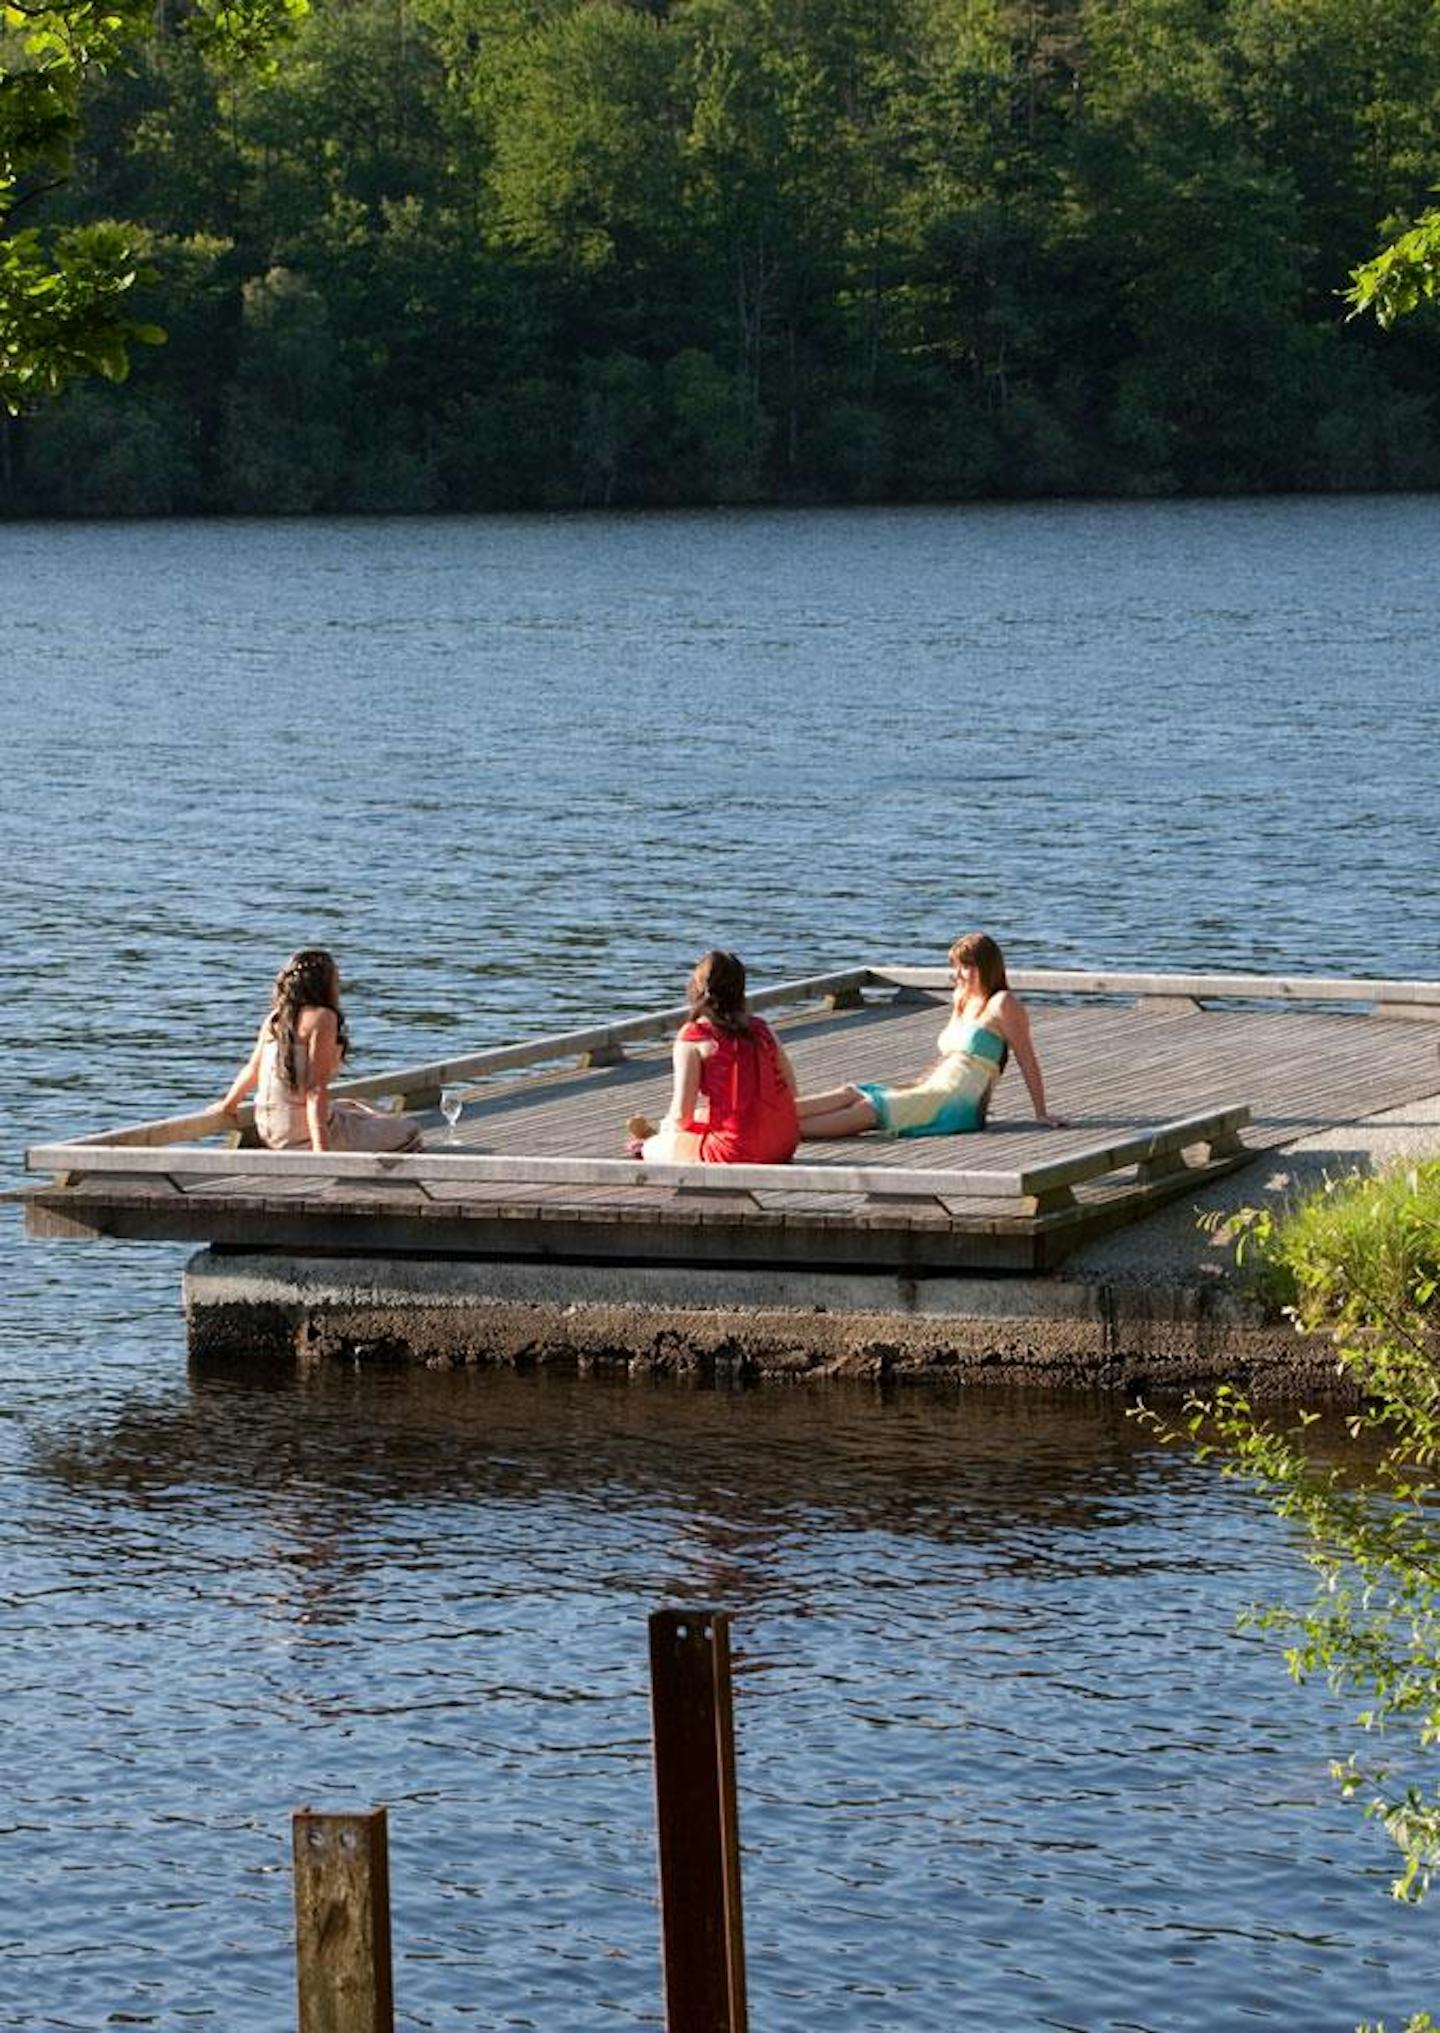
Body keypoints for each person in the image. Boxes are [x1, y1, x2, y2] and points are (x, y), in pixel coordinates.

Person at [794, 931, 1064, 1139]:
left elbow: (1027, 1058)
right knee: (850, 1092)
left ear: (988, 967)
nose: (958, 974)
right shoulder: (962, 997)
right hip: (932, 1089)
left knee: (867, 1109)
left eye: (967, 966)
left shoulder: (1002, 1003)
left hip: (954, 1105)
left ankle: (784, 1132)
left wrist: (1040, 1112)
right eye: (956, 966)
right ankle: (770, 1117)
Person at [215, 948, 423, 1153]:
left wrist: (229, 1105)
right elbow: (315, 1089)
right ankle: (329, 1139)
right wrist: (321, 1151)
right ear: (325, 984)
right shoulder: (323, 1018)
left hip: (269, 1129)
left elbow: (252, 1069)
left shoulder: (276, 1018)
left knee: (355, 1105)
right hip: (301, 1138)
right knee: (409, 1130)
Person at [628, 949, 800, 1165]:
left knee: (653, 1147)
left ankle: (651, 1141)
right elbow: (792, 1091)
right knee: (702, 1115)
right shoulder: (763, 1030)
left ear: (699, 987)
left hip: (737, 1151)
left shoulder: (694, 1036)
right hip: (784, 1142)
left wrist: (667, 1129)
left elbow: (682, 1116)